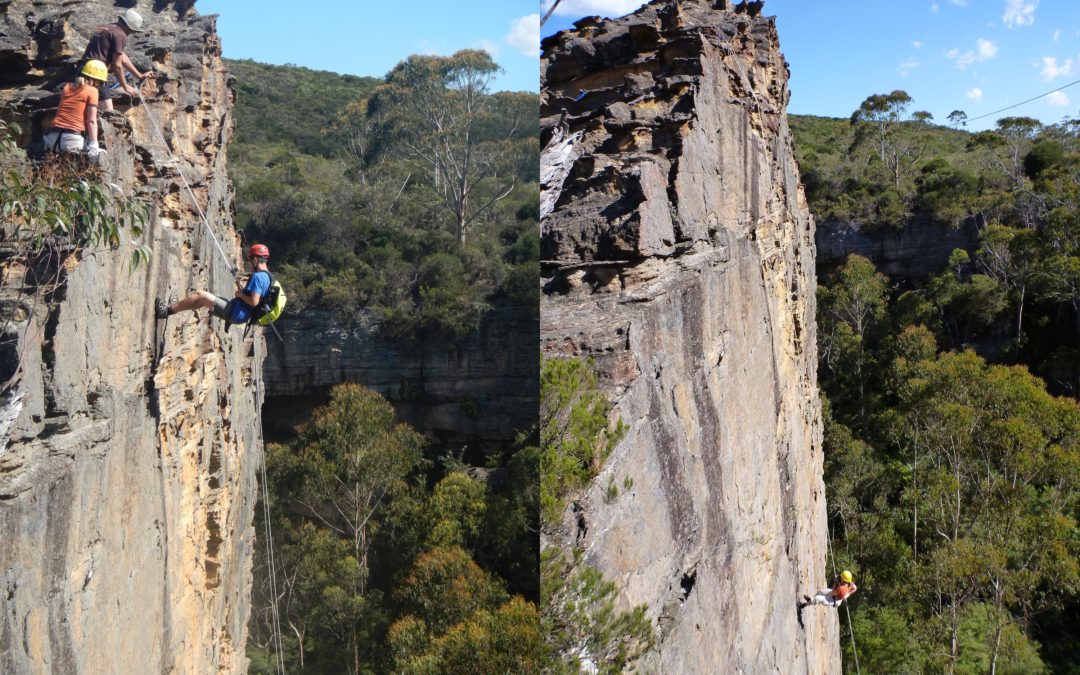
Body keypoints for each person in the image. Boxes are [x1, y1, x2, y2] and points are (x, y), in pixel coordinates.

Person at [157, 244, 272, 326]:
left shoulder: (257, 277)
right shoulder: (268, 277)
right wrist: (242, 290)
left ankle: (166, 311)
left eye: (249, 259)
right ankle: (176, 306)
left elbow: (254, 301)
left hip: (237, 312)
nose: (249, 263)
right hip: (241, 314)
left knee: (200, 295)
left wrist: (240, 294)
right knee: (203, 300)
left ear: (255, 259)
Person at [80, 9, 154, 112]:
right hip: (96, 72)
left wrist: (139, 75)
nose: (131, 33)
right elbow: (117, 65)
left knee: (82, 105)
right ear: (129, 26)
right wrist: (125, 86)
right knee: (108, 111)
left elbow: (121, 56)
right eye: (133, 30)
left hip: (83, 68)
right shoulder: (120, 35)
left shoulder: (107, 27)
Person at [43, 60, 108, 157]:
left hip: (51, 138)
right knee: (95, 157)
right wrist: (94, 144)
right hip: (72, 140)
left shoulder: (67, 87)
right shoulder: (92, 90)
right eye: (99, 83)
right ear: (96, 81)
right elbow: (91, 121)